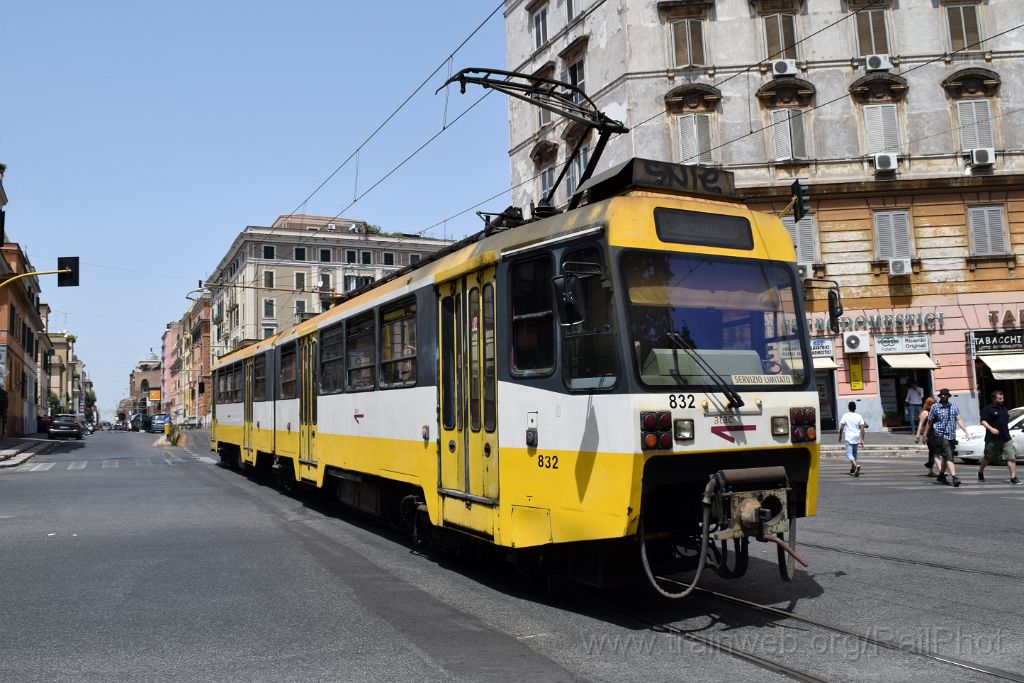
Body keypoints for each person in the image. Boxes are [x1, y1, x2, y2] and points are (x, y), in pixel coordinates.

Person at [926, 388, 971, 487]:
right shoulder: (935, 407)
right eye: (941, 395)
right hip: (940, 435)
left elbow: (959, 419)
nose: (943, 396)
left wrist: (966, 431)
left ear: (948, 396)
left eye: (945, 395)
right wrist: (926, 434)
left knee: (947, 457)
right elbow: (929, 421)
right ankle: (954, 477)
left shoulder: (954, 407)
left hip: (951, 435)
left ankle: (941, 475)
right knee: (949, 456)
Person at [978, 390, 1020, 485]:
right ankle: (980, 472)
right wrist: (991, 429)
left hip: (1006, 438)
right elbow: (983, 421)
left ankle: (1013, 477)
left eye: (1003, 398)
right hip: (992, 439)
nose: (1002, 400)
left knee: (1011, 457)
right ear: (994, 399)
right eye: (1000, 399)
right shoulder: (988, 408)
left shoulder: (1004, 408)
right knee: (987, 457)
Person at [838, 401, 866, 477]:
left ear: (848, 408)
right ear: (855, 408)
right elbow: (862, 429)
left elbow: (841, 427)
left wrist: (840, 436)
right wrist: (862, 440)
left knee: (849, 453)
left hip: (849, 437)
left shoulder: (845, 416)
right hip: (857, 437)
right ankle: (853, 468)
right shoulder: (859, 416)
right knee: (854, 453)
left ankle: (856, 466)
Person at [914, 396, 940, 476]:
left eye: (935, 403)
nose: (935, 405)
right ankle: (941, 470)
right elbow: (920, 425)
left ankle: (930, 471)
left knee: (932, 453)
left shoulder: (934, 412)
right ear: (928, 404)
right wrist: (917, 436)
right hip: (928, 435)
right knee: (935, 452)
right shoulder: (925, 413)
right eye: (933, 404)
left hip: (934, 433)